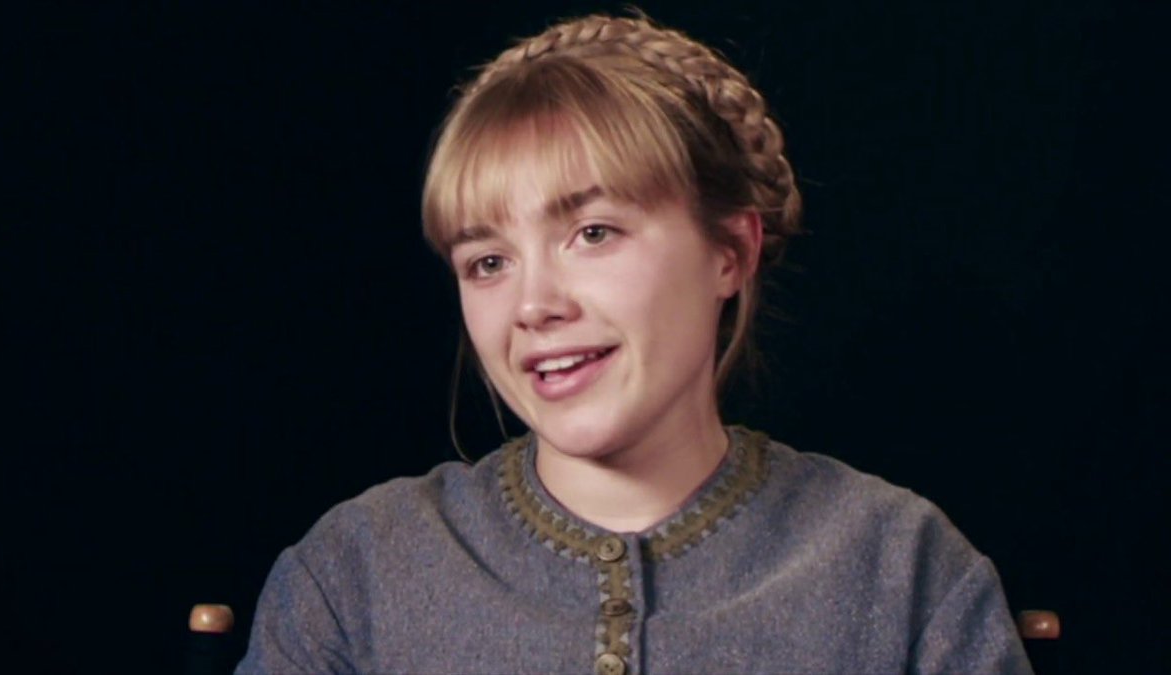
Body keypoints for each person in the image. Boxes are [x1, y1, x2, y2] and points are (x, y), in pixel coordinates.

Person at [238, 12, 1032, 674]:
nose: (534, 305)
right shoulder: (355, 574)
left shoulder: (902, 570)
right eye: (487, 262)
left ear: (731, 252)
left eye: (593, 232)